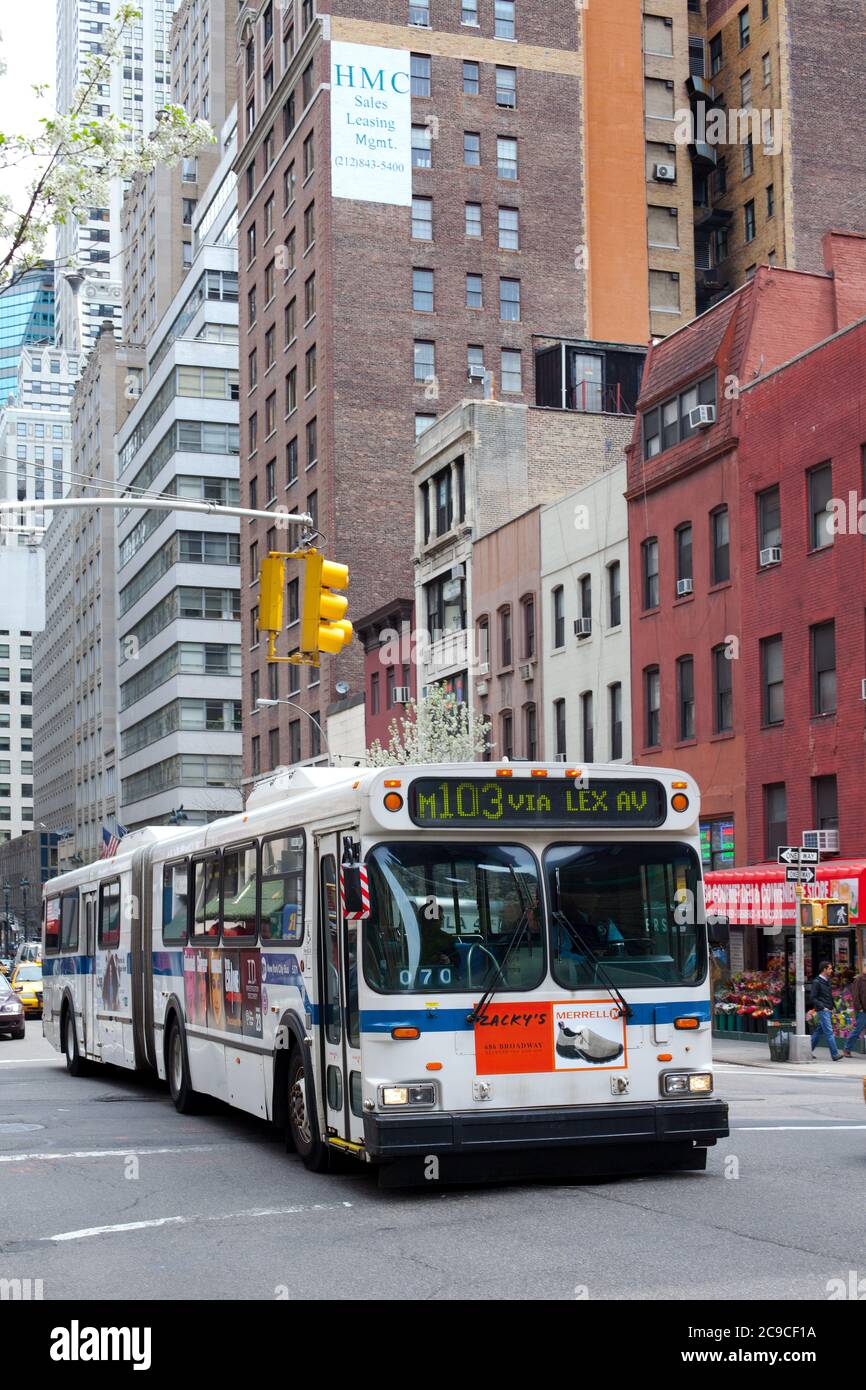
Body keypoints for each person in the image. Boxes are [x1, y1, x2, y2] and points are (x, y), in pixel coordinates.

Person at [809, 961, 842, 1061]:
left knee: (819, 1032)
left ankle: (806, 1051)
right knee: (829, 1032)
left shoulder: (827, 980)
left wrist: (833, 1008)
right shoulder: (817, 982)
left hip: (828, 1010)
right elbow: (813, 998)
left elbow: (828, 996)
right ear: (824, 969)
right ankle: (835, 1054)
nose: (831, 971)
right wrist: (823, 1007)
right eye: (830, 969)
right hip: (823, 1010)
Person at [843, 967, 866, 1057]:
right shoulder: (859, 980)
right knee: (858, 1030)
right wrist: (859, 1008)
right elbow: (855, 995)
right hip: (862, 1010)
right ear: (864, 968)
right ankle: (847, 1049)